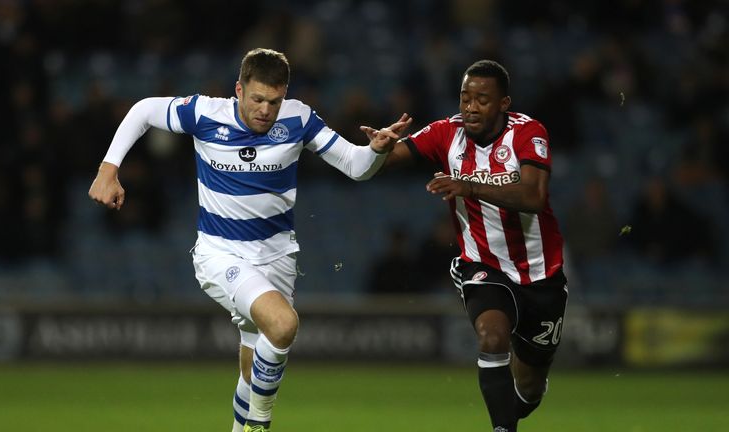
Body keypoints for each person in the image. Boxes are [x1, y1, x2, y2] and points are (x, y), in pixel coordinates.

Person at [88, 48, 411, 432]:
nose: (265, 110)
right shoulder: (206, 113)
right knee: (283, 324)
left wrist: (376, 151)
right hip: (220, 252)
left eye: (274, 101)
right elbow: (143, 110)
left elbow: (356, 167)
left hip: (278, 257)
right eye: (257, 99)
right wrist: (109, 168)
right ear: (239, 90)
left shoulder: (299, 118)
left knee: (253, 365)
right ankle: (260, 422)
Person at [364, 60, 567, 431]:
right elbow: (390, 158)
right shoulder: (446, 132)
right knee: (491, 338)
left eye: (482, 99)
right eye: (465, 97)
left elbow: (534, 196)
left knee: (529, 389)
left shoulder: (527, 132)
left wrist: (469, 187)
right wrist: (377, 149)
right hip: (482, 263)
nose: (470, 107)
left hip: (540, 273)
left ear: (504, 103)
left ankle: (517, 403)